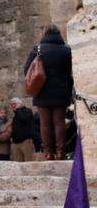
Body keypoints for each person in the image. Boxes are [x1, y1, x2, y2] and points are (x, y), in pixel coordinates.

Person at [23, 24, 73, 160]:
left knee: (45, 123)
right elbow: (69, 75)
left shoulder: (38, 49)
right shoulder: (66, 50)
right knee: (59, 122)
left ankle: (48, 153)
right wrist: (70, 94)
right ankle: (60, 152)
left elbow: (26, 70)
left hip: (42, 92)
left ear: (45, 34)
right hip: (61, 92)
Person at [9, 98, 34, 162]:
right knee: (18, 165)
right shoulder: (16, 114)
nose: (12, 106)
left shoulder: (27, 111)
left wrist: (18, 110)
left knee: (29, 163)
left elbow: (24, 118)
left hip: (25, 142)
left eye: (14, 104)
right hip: (16, 143)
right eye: (11, 104)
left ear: (20, 104)